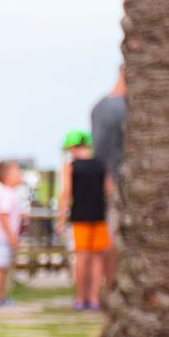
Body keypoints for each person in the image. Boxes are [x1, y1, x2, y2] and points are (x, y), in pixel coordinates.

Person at [57, 131, 109, 311]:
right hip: (100, 216)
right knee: (97, 258)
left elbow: (65, 193)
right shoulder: (101, 164)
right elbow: (109, 189)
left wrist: (60, 219)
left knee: (81, 257)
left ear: (72, 147)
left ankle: (80, 298)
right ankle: (94, 298)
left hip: (80, 216)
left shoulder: (70, 166)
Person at [90, 67, 126, 286]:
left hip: (117, 182)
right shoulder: (111, 107)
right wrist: (109, 180)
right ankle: (112, 287)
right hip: (117, 183)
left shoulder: (100, 106)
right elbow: (101, 150)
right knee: (112, 239)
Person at [0, 160, 26, 307]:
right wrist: (11, 236)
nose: (20, 175)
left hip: (2, 237)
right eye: (17, 172)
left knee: (3, 268)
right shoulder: (7, 195)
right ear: (7, 177)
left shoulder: (10, 194)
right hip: (1, 237)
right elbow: (3, 216)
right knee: (0, 268)